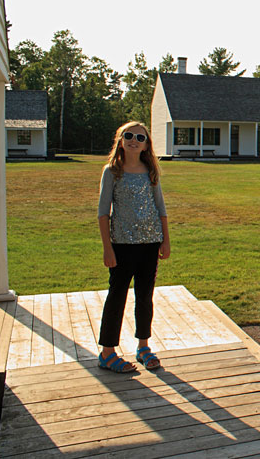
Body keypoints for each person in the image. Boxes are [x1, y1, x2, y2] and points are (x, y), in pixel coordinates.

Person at [97, 122, 170, 372]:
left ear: (147, 144)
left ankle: (143, 346)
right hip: (121, 245)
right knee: (117, 295)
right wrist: (108, 248)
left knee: (145, 296)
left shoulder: (150, 171)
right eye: (128, 136)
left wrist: (166, 240)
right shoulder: (112, 172)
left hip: (150, 243)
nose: (134, 140)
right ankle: (107, 352)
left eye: (140, 137)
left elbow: (161, 208)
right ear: (120, 140)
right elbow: (103, 213)